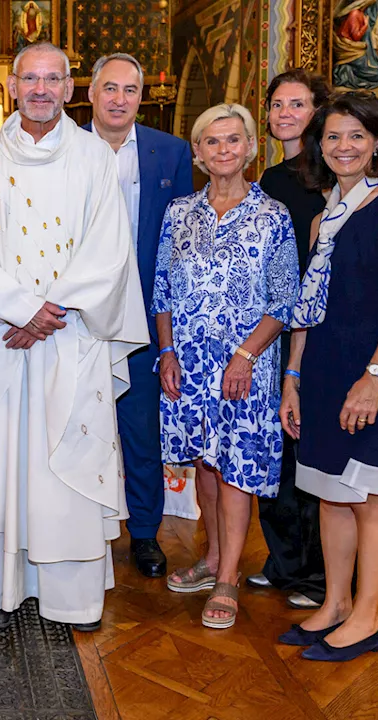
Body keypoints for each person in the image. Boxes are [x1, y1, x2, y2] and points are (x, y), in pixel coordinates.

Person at [0, 41, 148, 632]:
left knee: (68, 462)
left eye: (52, 79)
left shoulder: (93, 159)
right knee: (2, 465)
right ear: (10, 86)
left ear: (69, 86)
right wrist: (22, 312)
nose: (40, 89)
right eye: (29, 79)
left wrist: (49, 313)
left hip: (70, 336)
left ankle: (71, 600)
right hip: (2, 340)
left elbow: (109, 249)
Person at [281, 91, 378, 661]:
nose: (344, 147)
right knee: (329, 493)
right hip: (322, 368)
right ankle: (335, 603)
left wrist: (374, 377)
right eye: (333, 136)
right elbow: (308, 308)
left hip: (373, 368)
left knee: (369, 498)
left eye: (356, 136)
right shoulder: (321, 220)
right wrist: (292, 377)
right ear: (320, 145)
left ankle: (367, 616)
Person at [154, 103, 299, 630]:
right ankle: (212, 556)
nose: (222, 150)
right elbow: (162, 290)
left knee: (235, 467)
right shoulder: (179, 213)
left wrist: (244, 357)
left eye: (233, 140)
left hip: (246, 365)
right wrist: (166, 352)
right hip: (189, 362)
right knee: (206, 465)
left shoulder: (273, 216)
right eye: (211, 142)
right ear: (197, 152)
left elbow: (283, 301)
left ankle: (229, 577)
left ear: (251, 148)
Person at [82, 52, 194, 579]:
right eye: (110, 89)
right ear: (90, 95)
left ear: (140, 98)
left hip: (146, 317)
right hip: (77, 318)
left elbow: (182, 238)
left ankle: (145, 534)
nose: (119, 99)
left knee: (140, 431)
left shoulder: (169, 153)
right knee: (80, 430)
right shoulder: (65, 148)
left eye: (129, 90)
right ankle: (81, 531)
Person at [249, 69, 333, 611]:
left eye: (296, 105)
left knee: (309, 451)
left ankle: (317, 575)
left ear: (318, 111)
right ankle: (283, 562)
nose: (283, 113)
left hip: (319, 331)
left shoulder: (333, 176)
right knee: (275, 449)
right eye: (276, 104)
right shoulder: (274, 179)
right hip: (277, 328)